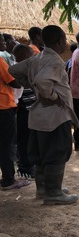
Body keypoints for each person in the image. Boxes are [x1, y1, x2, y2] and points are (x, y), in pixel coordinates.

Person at [9, 25, 79, 204]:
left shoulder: (36, 57)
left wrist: (30, 85)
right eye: (64, 40)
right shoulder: (54, 60)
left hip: (38, 115)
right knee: (57, 152)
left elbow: (14, 70)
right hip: (55, 115)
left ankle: (43, 189)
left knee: (41, 154)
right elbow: (42, 80)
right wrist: (52, 95)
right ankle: (54, 193)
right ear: (59, 42)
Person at [0, 34, 28, 190]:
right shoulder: (0, 61)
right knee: (7, 144)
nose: (5, 43)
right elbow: (15, 83)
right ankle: (8, 180)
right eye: (2, 41)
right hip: (4, 106)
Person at [11, 44, 35, 179]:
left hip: (29, 109)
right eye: (31, 56)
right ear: (25, 57)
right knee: (24, 140)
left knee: (28, 139)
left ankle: (28, 166)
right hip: (23, 109)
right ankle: (25, 168)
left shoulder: (23, 69)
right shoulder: (16, 71)